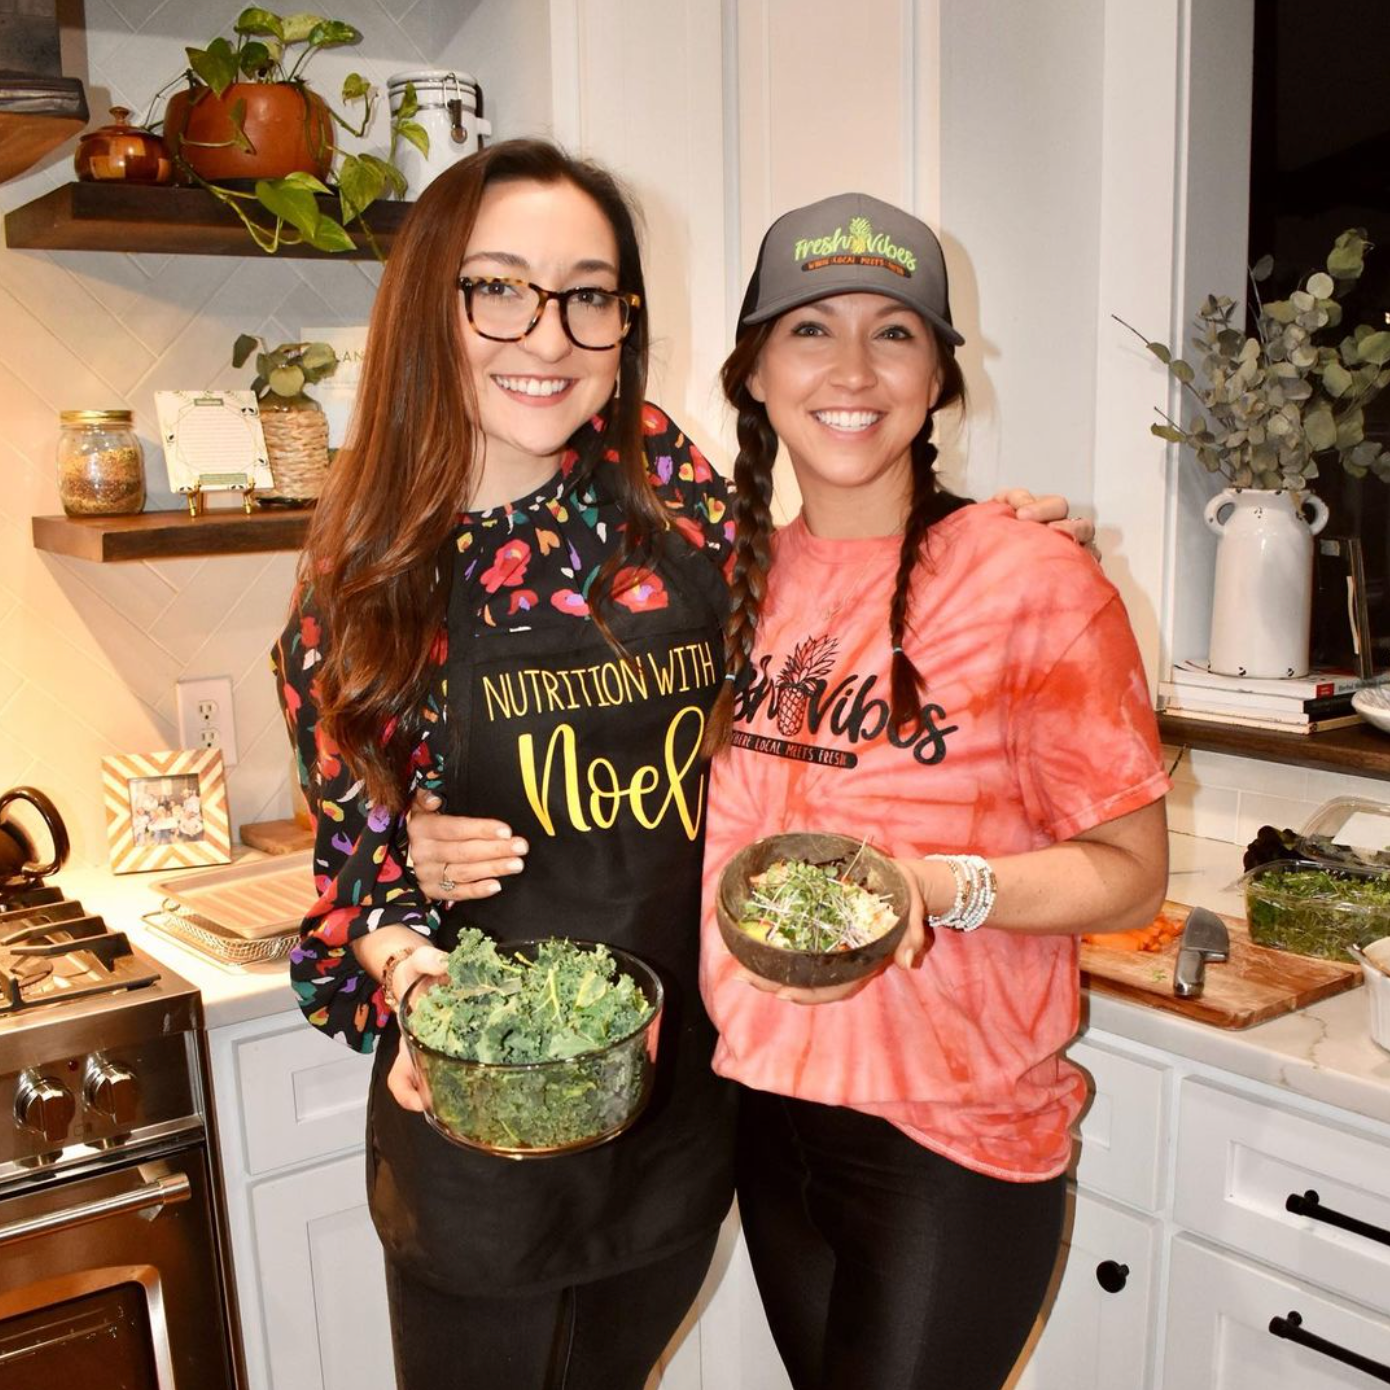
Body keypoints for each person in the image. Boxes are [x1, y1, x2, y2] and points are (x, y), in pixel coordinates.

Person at [283, 139, 1087, 1390]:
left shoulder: (657, 478)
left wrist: (977, 542)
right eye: (498, 287)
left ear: (624, 323)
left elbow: (812, 576)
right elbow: (349, 879)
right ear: (427, 305)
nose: (545, 336)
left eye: (588, 295)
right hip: (487, 1112)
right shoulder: (365, 576)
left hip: (678, 1107)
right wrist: (409, 956)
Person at [691, 192, 1171, 1390]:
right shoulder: (724, 576)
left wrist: (936, 887)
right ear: (752, 370)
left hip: (950, 1134)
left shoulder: (1030, 579)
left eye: (893, 331)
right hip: (768, 1108)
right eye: (809, 329)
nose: (851, 367)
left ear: (940, 378)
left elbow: (1130, 873)